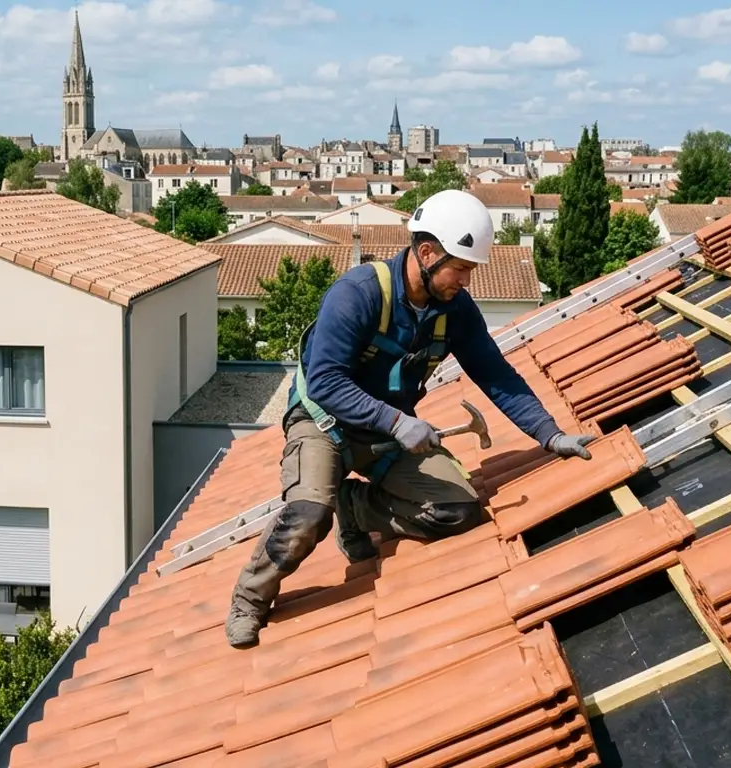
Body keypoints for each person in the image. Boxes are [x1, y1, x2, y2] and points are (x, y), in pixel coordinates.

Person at [225, 189, 597, 648]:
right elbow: (323, 382)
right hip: (325, 423)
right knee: (307, 515)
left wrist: (549, 434)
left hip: (386, 433)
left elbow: (495, 373)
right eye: (460, 268)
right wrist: (398, 423)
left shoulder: (454, 311)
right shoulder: (358, 295)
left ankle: (356, 506)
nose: (466, 281)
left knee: (458, 511)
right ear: (426, 253)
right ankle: (250, 598)